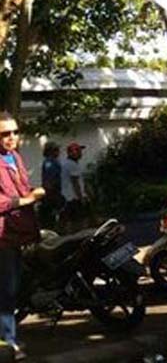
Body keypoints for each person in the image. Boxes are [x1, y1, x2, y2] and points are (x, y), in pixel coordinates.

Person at [0, 112, 44, 357]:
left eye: (15, 132)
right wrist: (26, 199)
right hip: (3, 235)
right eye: (5, 134)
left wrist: (33, 192)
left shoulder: (14, 157)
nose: (12, 137)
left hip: (19, 232)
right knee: (6, 289)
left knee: (15, 286)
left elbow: (20, 188)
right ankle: (8, 342)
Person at [60, 142, 86, 230]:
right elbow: (75, 183)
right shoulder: (71, 164)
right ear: (71, 153)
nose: (80, 153)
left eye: (80, 151)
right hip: (73, 197)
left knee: (70, 219)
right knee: (78, 219)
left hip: (68, 196)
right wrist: (81, 197)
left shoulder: (68, 163)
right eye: (77, 151)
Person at [39, 142, 63, 227]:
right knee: (54, 216)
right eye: (56, 150)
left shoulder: (54, 161)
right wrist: (52, 195)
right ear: (50, 151)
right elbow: (49, 180)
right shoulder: (49, 162)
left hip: (56, 191)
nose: (58, 152)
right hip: (53, 193)